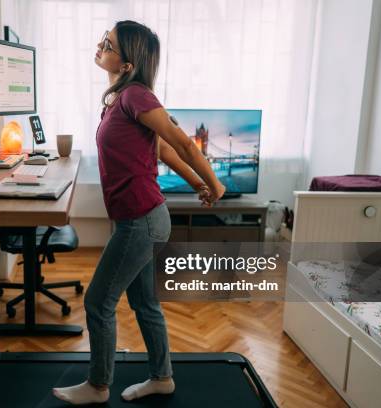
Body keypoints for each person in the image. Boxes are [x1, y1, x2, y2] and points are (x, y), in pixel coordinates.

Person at [53, 20, 226, 405]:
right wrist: (196, 184)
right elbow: (162, 152)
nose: (99, 46)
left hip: (141, 222)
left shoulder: (135, 95)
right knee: (145, 303)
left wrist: (214, 184)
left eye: (108, 44)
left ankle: (98, 387)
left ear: (128, 63)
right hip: (142, 219)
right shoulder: (120, 98)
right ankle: (162, 378)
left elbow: (183, 144)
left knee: (98, 303)